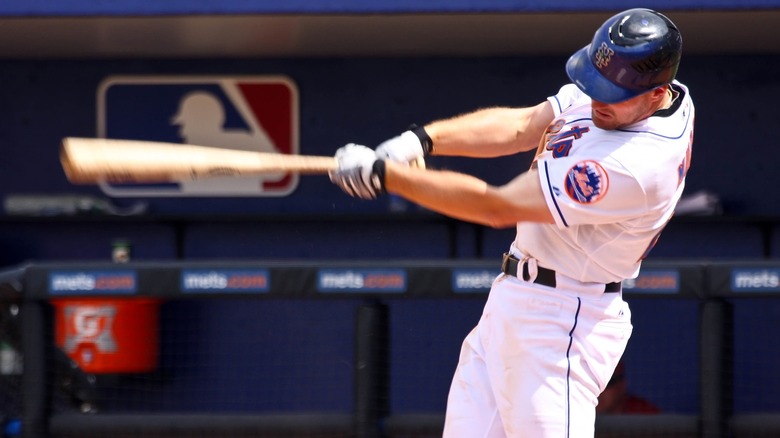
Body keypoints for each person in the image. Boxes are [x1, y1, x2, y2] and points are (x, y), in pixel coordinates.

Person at [329, 8, 693, 438]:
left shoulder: (635, 166)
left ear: (656, 95)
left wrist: (391, 177)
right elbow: (523, 124)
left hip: (563, 323)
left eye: (613, 93)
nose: (597, 98)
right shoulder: (639, 92)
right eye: (596, 84)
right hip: (513, 300)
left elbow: (498, 208)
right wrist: (421, 139)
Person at [596, 360, 661, 415]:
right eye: (595, 384)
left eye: (607, 384)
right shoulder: (586, 415)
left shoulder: (644, 414)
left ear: (621, 385)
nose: (599, 392)